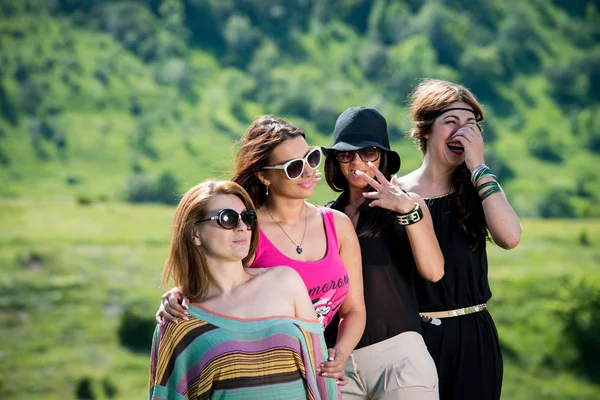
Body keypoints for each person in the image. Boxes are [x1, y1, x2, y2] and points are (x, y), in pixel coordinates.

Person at [155, 116, 367, 385]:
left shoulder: (337, 225)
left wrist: (339, 354)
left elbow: (355, 310)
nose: (307, 171)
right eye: (293, 167)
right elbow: (221, 289)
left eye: (311, 158)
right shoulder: (245, 229)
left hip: (317, 367)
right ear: (263, 175)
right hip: (261, 372)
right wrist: (178, 294)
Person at [148, 179, 340, 399]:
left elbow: (323, 376)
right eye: (227, 219)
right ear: (195, 233)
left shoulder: (285, 282)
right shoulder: (180, 321)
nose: (241, 227)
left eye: (247, 218)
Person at [397, 78, 522, 400]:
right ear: (424, 130)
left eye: (471, 124)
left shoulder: (479, 189)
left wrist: (478, 166)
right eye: (451, 122)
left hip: (473, 334)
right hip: (412, 337)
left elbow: (509, 237)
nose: (462, 132)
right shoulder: (396, 194)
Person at [321, 106, 444, 399]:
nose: (357, 163)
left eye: (368, 153)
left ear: (383, 157)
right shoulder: (325, 216)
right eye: (346, 154)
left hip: (398, 358)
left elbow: (434, 271)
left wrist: (406, 211)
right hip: (339, 365)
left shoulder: (410, 204)